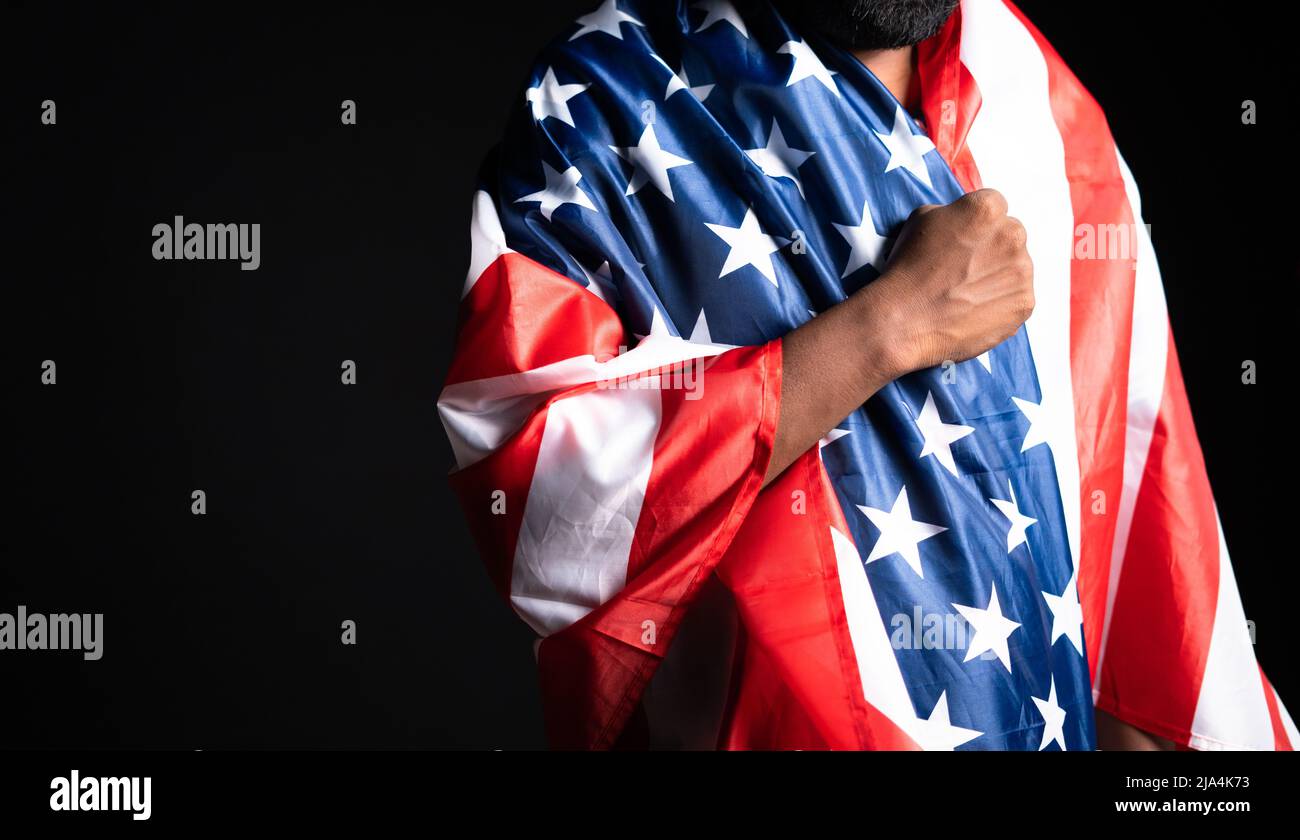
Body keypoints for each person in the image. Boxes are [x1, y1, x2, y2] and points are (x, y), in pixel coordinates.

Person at [439, 0, 1294, 750]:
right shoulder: (602, 99)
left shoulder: (1036, 96)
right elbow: (540, 507)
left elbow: (1136, 543)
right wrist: (883, 331)